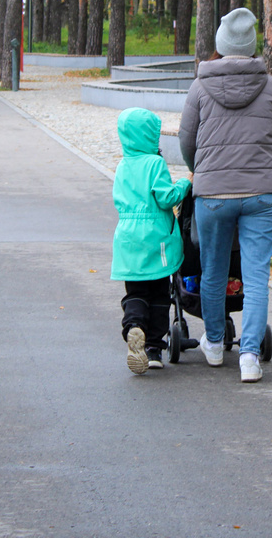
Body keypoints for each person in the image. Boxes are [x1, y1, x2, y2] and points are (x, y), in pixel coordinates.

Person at [178, 7, 272, 383]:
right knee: (256, 276)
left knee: (212, 270)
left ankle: (212, 344)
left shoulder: (199, 87)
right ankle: (250, 357)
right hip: (262, 194)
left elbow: (186, 142)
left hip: (213, 195)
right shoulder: (271, 86)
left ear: (221, 46)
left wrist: (203, 169)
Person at [112, 107, 191, 375]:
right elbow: (165, 198)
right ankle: (154, 349)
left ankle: (134, 325)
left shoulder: (123, 165)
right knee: (159, 294)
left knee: (135, 292)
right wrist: (184, 184)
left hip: (127, 239)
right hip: (155, 240)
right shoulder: (154, 164)